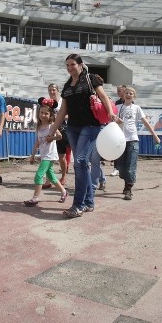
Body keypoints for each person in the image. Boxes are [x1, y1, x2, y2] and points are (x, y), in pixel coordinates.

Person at [48, 54, 116, 219]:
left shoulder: (91, 79)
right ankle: (89, 202)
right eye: (67, 65)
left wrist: (110, 113)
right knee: (82, 165)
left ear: (80, 65)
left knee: (80, 162)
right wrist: (53, 130)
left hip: (91, 126)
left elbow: (103, 97)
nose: (70, 68)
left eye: (72, 64)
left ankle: (78, 205)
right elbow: (63, 110)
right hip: (72, 128)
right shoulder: (67, 85)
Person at [112, 86, 160, 200]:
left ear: (134, 96)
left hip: (133, 140)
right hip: (120, 141)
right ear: (123, 95)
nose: (128, 94)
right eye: (127, 93)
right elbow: (111, 121)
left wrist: (155, 136)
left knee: (130, 167)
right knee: (122, 170)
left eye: (131, 93)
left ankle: (128, 189)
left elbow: (145, 122)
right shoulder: (118, 107)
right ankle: (126, 182)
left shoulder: (137, 108)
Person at [23, 98, 68, 206]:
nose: (43, 115)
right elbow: (37, 142)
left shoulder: (51, 125)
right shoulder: (39, 127)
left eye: (46, 113)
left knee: (39, 175)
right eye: (42, 112)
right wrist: (33, 155)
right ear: (38, 113)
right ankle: (64, 192)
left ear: (50, 115)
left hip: (50, 155)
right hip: (43, 155)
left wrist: (52, 138)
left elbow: (60, 136)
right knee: (51, 176)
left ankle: (35, 198)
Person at [42, 83, 71, 189]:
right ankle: (48, 180)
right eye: (50, 90)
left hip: (62, 129)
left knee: (61, 156)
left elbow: (69, 114)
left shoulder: (62, 102)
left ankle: (63, 176)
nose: (52, 92)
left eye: (53, 90)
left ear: (57, 90)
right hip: (50, 129)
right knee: (48, 155)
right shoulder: (47, 103)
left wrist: (61, 117)